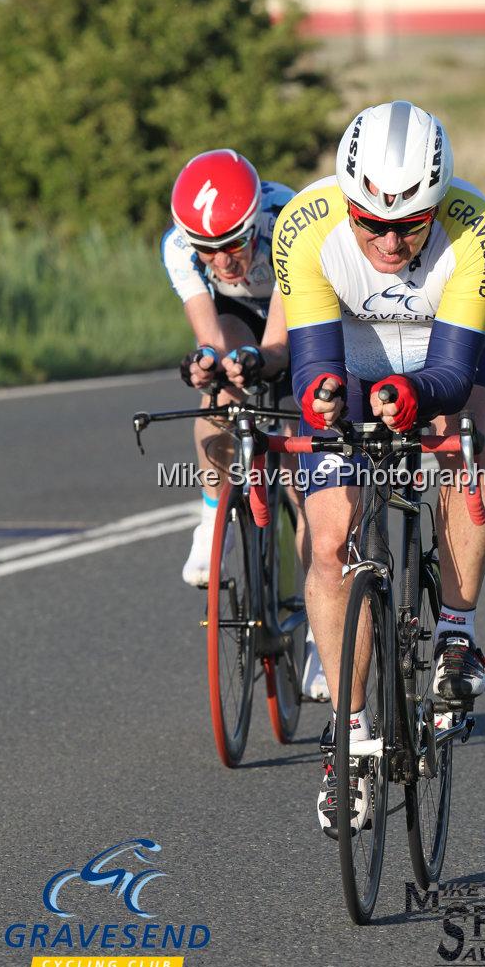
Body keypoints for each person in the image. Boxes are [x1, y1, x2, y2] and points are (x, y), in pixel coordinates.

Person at [271, 101, 485, 836]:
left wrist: (415, 397)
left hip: (447, 345)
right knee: (328, 537)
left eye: (409, 223)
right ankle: (347, 743)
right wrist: (324, 401)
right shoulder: (305, 226)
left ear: (436, 205)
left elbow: (447, 370)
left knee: (466, 437)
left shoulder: (473, 226)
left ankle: (455, 625)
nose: (387, 239)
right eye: (368, 221)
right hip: (350, 347)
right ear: (344, 200)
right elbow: (315, 367)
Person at [161, 149, 329, 700]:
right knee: (218, 387)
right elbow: (209, 333)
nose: (224, 261)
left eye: (234, 244)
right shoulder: (178, 248)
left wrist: (263, 361)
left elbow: (281, 345)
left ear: (255, 222)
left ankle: (321, 645)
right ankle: (212, 520)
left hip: (300, 321)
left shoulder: (287, 224)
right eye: (208, 251)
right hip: (238, 320)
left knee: (307, 488)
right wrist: (206, 366)